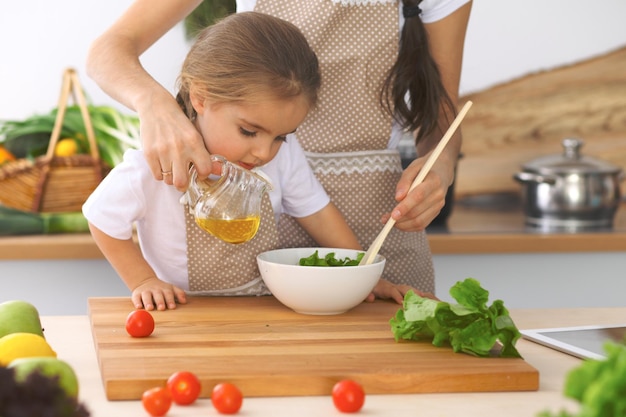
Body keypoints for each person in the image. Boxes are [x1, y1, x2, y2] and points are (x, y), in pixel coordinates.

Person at [86, 0, 472, 298]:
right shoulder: (151, 168)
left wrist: (440, 166)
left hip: (380, 227)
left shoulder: (284, 157)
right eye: (249, 131)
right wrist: (155, 105)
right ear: (202, 97)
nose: (264, 153)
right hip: (243, 292)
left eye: (281, 137)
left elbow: (443, 121)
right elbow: (108, 51)